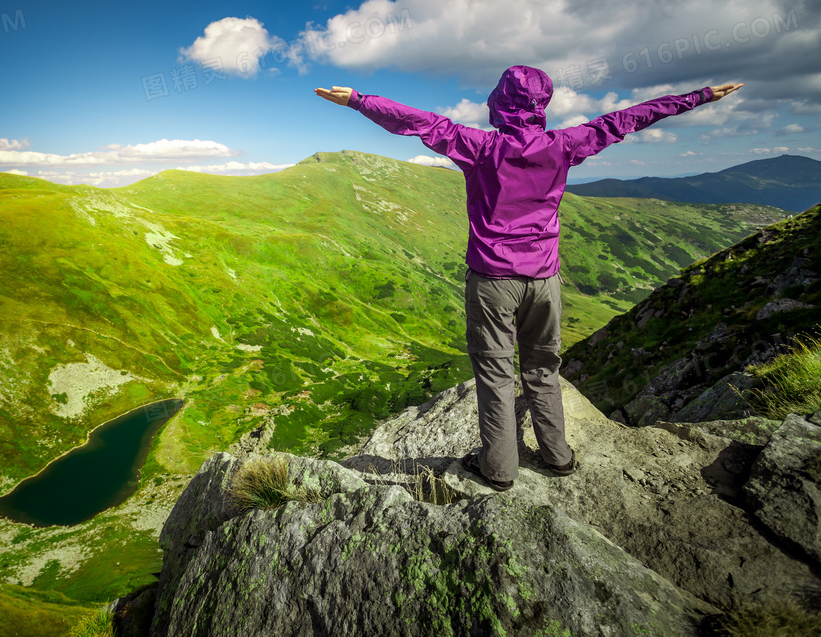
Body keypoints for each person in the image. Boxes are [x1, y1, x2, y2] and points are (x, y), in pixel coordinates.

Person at [315, 67, 743, 491]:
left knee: (496, 373)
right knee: (543, 367)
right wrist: (699, 96)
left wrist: (358, 100)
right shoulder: (564, 145)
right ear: (543, 104)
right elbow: (628, 118)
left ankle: (499, 469)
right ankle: (558, 457)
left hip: (492, 282)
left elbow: (418, 122)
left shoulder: (479, 146)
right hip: (544, 281)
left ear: (499, 101)